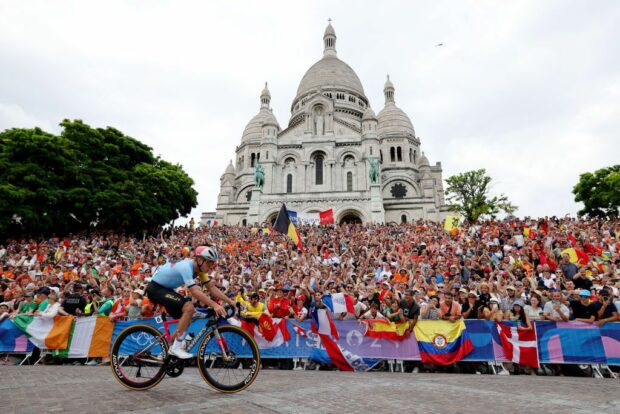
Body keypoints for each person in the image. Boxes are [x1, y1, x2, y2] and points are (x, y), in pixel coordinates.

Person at [146, 246, 236, 359]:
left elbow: (211, 288)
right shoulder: (186, 267)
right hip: (156, 288)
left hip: (166, 289)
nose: (211, 267)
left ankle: (169, 346)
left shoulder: (199, 270)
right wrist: (215, 305)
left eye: (212, 264)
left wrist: (230, 301)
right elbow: (194, 292)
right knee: (189, 307)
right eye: (209, 263)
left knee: (188, 316)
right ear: (199, 260)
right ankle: (176, 348)